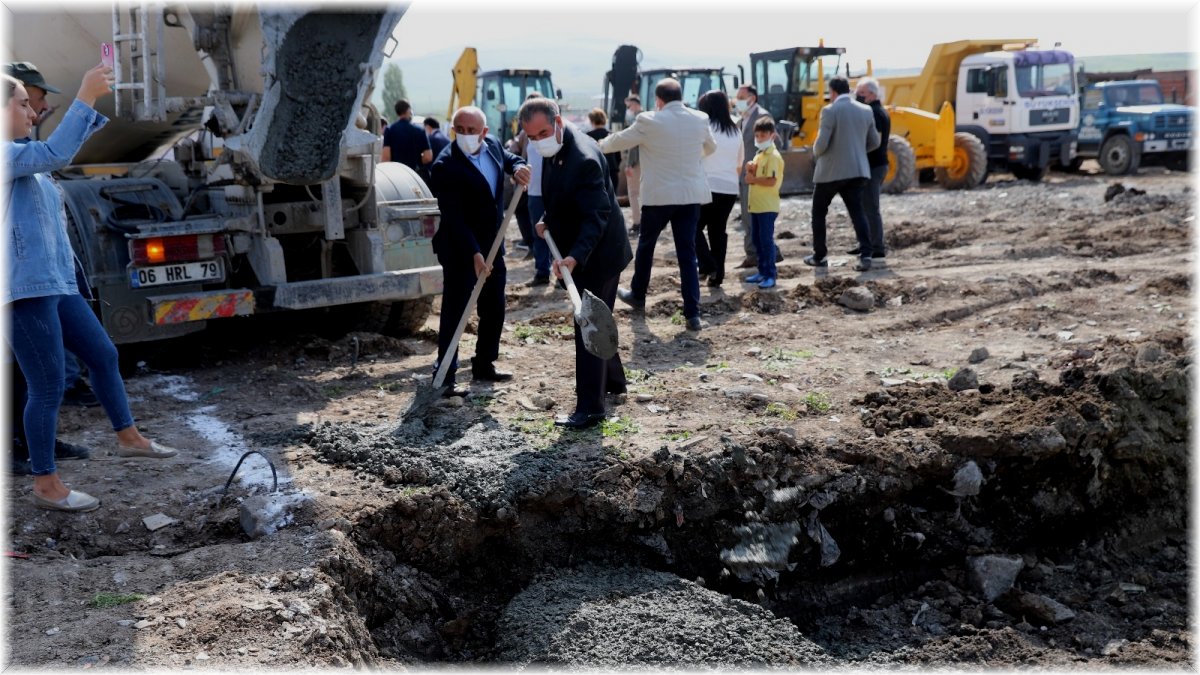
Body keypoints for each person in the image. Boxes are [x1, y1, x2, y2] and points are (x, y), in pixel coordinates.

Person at [5, 68, 181, 513]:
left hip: (54, 284)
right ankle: (46, 485)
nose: (34, 109)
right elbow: (57, 153)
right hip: (23, 290)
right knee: (46, 387)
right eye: (23, 102)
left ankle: (129, 437)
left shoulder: (23, 155)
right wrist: (86, 96)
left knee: (103, 355)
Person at [519, 98, 633, 429]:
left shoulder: (582, 157)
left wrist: (575, 256)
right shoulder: (558, 150)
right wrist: (546, 219)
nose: (538, 140)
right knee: (600, 316)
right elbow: (565, 197)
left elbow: (597, 214)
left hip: (599, 254)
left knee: (589, 323)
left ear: (557, 122)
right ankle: (614, 382)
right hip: (590, 250)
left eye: (542, 132)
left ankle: (590, 407)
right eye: (532, 136)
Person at [427, 106, 531, 396]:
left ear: (484, 133)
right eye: (460, 129)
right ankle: (445, 374)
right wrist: (473, 253)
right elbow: (454, 217)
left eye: (472, 131)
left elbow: (508, 158)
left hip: (493, 244)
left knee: (494, 306)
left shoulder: (494, 146)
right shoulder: (445, 165)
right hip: (461, 248)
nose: (465, 135)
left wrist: (518, 165)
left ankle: (484, 363)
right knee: (456, 311)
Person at [599, 78, 716, 332]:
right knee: (688, 254)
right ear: (681, 96)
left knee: (646, 246)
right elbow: (710, 147)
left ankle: (638, 295)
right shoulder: (699, 118)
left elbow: (617, 141)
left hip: (659, 196)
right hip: (689, 195)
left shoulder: (649, 120)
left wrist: (595, 145)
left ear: (659, 100)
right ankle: (693, 314)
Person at [804, 75, 880, 273]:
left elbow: (821, 144)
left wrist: (815, 153)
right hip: (858, 170)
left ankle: (819, 255)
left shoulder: (830, 110)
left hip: (830, 171)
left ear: (833, 92)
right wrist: (857, 153)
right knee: (858, 212)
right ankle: (866, 254)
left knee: (819, 212)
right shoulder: (866, 110)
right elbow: (875, 142)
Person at [695, 89, 743, 288]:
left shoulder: (705, 127)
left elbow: (696, 157)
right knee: (718, 231)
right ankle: (718, 275)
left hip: (707, 186)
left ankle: (707, 264)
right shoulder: (735, 130)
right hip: (730, 188)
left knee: (693, 228)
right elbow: (739, 162)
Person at [733, 84, 781, 269]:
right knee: (747, 217)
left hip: (758, 176)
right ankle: (755, 254)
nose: (738, 100)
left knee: (755, 218)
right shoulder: (742, 118)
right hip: (746, 175)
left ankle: (762, 255)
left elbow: (775, 143)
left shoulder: (761, 116)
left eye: (741, 97)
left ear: (752, 98)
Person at [507, 92, 552, 284]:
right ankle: (542, 272)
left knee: (559, 232)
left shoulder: (553, 133)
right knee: (538, 233)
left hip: (553, 191)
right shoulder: (525, 135)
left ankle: (562, 274)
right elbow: (516, 153)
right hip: (534, 191)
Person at [743, 117, 784, 289]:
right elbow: (751, 178)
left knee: (766, 241)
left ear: (772, 135)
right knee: (758, 240)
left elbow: (771, 181)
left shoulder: (772, 156)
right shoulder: (759, 155)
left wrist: (753, 178)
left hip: (767, 205)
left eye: (763, 135)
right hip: (757, 205)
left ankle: (770, 274)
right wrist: (751, 171)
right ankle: (762, 271)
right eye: (757, 135)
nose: (759, 139)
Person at [851, 77, 890, 259]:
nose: (858, 97)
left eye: (862, 93)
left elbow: (876, 141)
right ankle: (866, 243)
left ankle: (876, 247)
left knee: (871, 208)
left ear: (873, 94)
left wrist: (858, 151)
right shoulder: (875, 111)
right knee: (864, 207)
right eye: (857, 93)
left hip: (874, 166)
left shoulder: (876, 113)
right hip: (873, 165)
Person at [381, 99, 432, 176]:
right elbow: (428, 157)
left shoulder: (389, 130)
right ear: (408, 110)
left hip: (396, 174)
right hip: (415, 174)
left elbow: (386, 157)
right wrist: (417, 161)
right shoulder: (419, 130)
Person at [584, 107, 622, 196]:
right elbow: (618, 157)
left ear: (592, 120)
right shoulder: (612, 135)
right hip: (612, 170)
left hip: (595, 171)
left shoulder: (587, 137)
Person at [621, 94, 643, 237]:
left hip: (636, 162)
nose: (628, 109)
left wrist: (629, 164)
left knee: (633, 193)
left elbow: (634, 145)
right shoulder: (647, 117)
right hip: (646, 161)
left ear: (635, 104)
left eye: (629, 106)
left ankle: (637, 222)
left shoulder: (638, 119)